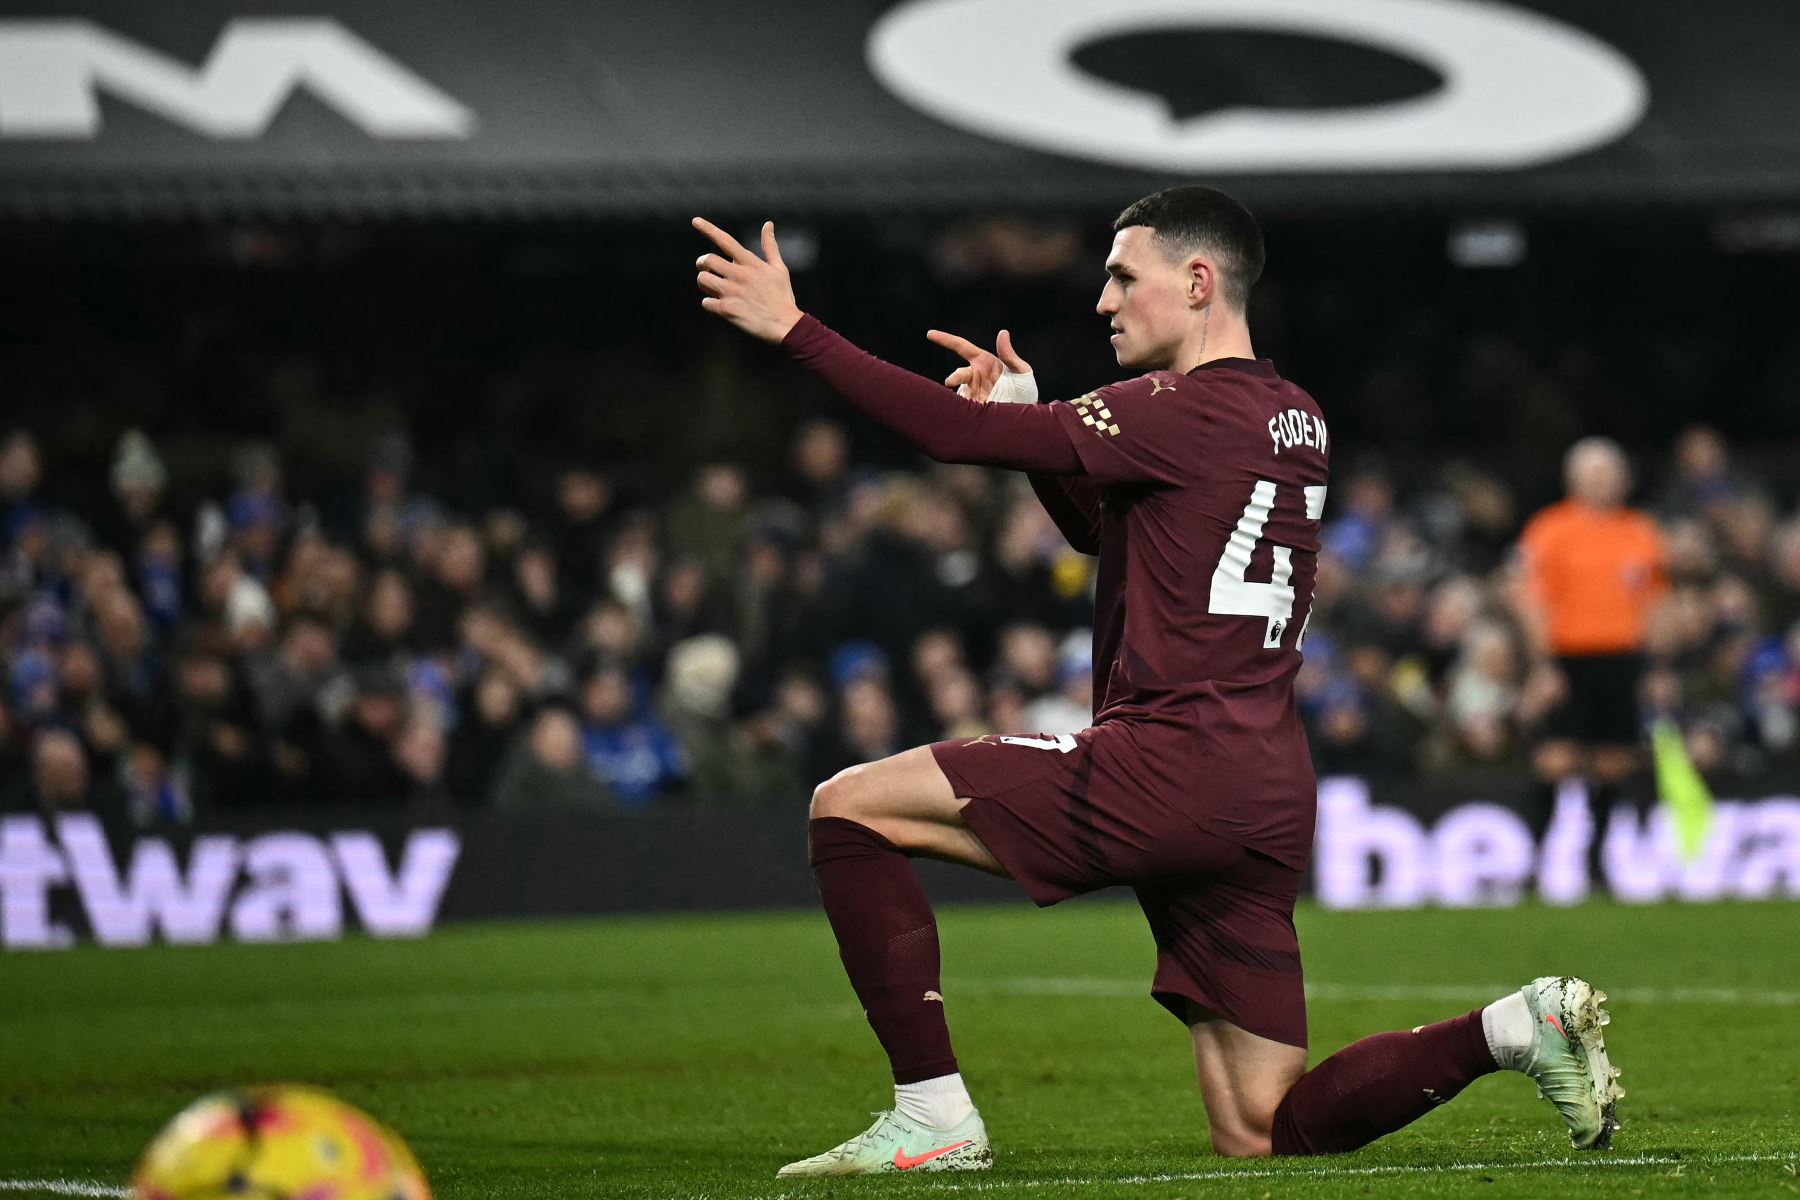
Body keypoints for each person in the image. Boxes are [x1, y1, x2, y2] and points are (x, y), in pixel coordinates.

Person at [692, 188, 1622, 1178]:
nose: (1103, 300)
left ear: (1197, 280)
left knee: (850, 811)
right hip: (1261, 788)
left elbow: (949, 440)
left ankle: (932, 1116)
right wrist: (1039, 431)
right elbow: (1114, 531)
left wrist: (796, 330)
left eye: (1122, 275)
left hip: (1169, 762)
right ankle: (1510, 1030)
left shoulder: (1178, 410)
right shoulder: (1294, 416)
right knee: (1262, 1130)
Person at [1517, 438, 1667, 888]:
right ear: (1574, 480)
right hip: (1568, 657)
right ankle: (1535, 859)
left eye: (1609, 473)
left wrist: (1656, 665)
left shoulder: (1641, 532)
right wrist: (1543, 665)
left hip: (1622, 658)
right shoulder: (1550, 529)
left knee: (1613, 761)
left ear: (1624, 479)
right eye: (1593, 474)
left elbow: (1655, 602)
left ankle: (1596, 860)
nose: (1602, 482)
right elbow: (1531, 601)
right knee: (1556, 759)